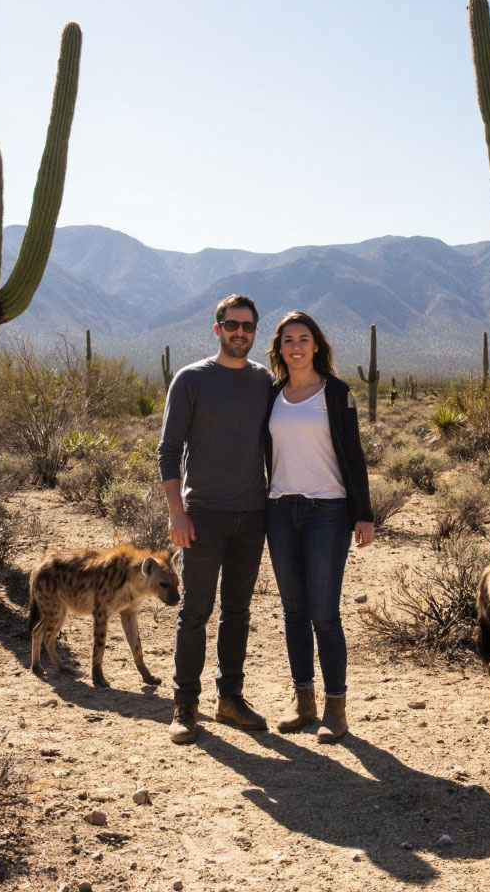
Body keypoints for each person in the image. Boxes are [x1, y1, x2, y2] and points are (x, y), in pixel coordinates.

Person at [157, 293, 273, 744]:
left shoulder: (265, 381)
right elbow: (168, 450)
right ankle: (185, 705)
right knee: (195, 611)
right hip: (202, 513)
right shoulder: (191, 380)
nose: (239, 332)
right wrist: (176, 512)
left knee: (238, 612)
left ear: (254, 331)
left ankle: (230, 700)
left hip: (253, 512)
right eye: (231, 325)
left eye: (247, 326)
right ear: (217, 328)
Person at [264, 311, 374, 743]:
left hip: (328, 511)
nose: (296, 346)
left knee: (325, 614)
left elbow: (355, 455)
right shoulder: (271, 394)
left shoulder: (337, 393)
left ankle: (336, 708)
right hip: (279, 510)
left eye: (303, 338)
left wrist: (362, 514)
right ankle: (303, 702)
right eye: (288, 339)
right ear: (279, 348)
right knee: (293, 611)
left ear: (316, 345)